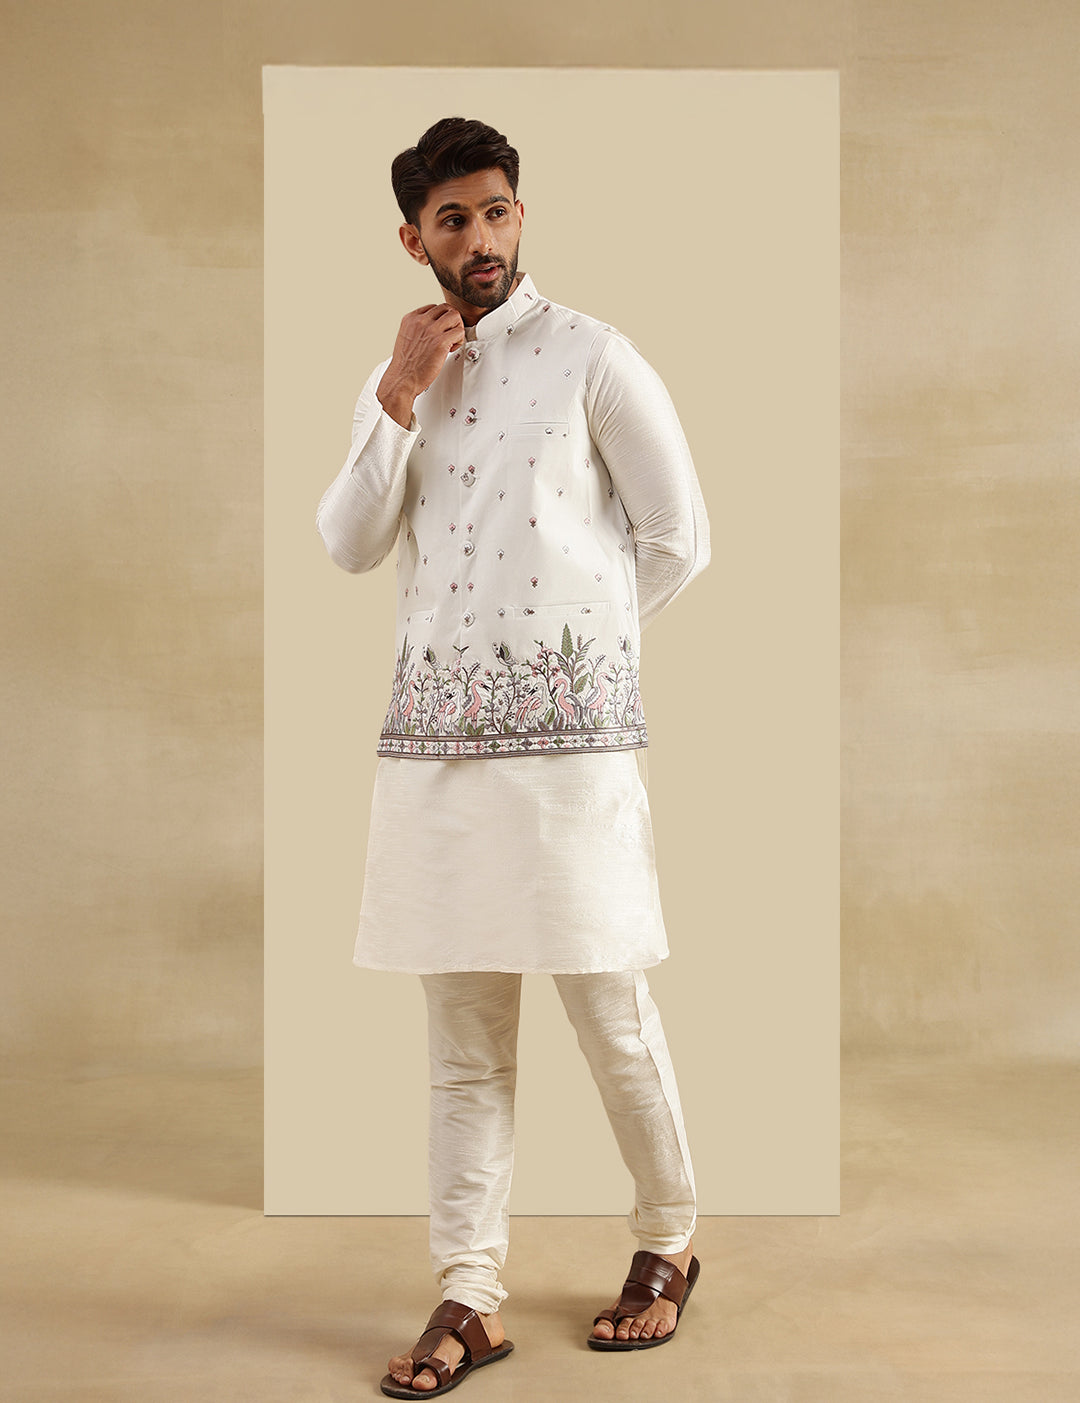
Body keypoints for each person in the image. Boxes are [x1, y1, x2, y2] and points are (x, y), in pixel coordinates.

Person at [316, 116, 710, 1398]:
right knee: (463, 1043)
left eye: (496, 211)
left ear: (519, 215)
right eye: (453, 220)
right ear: (413, 239)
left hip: (571, 757)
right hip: (434, 757)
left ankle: (668, 1239)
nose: (479, 238)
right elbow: (349, 541)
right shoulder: (402, 377)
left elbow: (678, 537)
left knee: (611, 1013)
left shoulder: (593, 354)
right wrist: (396, 395)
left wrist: (575, 665)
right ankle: (468, 1292)